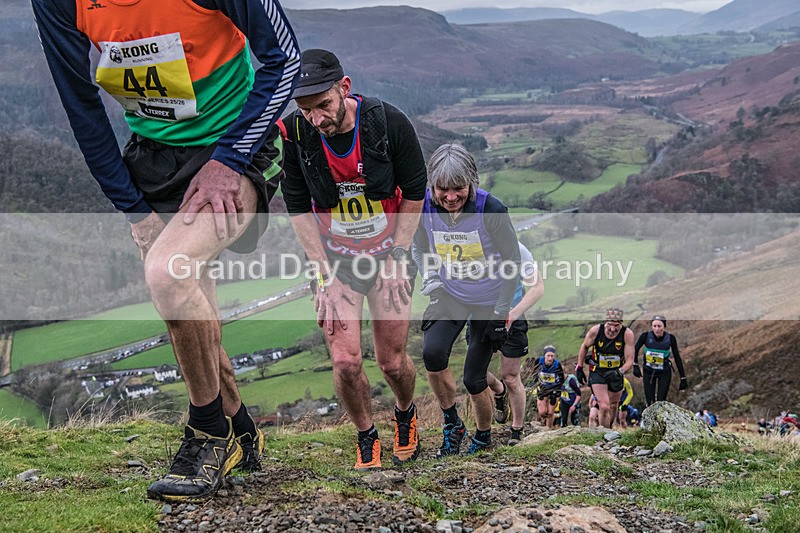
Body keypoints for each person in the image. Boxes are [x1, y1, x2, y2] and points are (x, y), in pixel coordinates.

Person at [32, 0, 299, 502]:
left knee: (169, 274)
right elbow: (80, 104)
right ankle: (241, 429)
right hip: (153, 156)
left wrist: (230, 159)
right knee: (187, 301)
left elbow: (284, 58)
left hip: (236, 144)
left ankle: (207, 435)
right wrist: (134, 210)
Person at [279, 49, 426, 469]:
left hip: (387, 256)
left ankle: (405, 412)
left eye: (323, 106)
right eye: (305, 110)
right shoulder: (295, 132)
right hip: (337, 261)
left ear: (344, 88)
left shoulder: (387, 122)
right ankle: (366, 436)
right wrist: (320, 271)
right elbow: (296, 204)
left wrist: (399, 255)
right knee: (345, 361)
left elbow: (415, 189)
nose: (316, 119)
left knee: (393, 362)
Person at [413, 142, 521, 456]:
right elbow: (418, 248)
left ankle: (483, 436)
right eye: (441, 189)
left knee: (474, 378)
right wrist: (432, 282)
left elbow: (512, 260)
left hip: (489, 299)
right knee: (433, 354)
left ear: (471, 182)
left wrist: (501, 313)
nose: (450, 197)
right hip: (452, 293)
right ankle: (452, 423)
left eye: (458, 188)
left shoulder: (491, 208)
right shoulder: (423, 206)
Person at [486, 241, 544, 445]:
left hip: (513, 317)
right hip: (481, 318)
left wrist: (513, 314)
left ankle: (517, 430)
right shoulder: (472, 243)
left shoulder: (518, 249)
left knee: (511, 376)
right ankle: (498, 390)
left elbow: (537, 287)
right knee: (477, 373)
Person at [575, 307, 635, 429]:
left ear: (621, 324)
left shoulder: (627, 334)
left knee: (613, 405)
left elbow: (630, 360)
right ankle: (603, 434)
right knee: (604, 406)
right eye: (610, 325)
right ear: (605, 322)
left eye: (616, 325)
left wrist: (620, 371)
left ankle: (609, 429)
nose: (612, 329)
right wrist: (579, 367)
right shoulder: (596, 331)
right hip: (597, 371)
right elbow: (584, 346)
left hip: (616, 372)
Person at [632, 315, 687, 406]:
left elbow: (677, 357)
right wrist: (635, 365)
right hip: (648, 372)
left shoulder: (670, 338)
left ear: (664, 326)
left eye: (659, 326)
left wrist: (683, 377)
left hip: (664, 373)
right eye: (654, 326)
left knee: (661, 402)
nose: (657, 329)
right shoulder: (645, 336)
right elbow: (635, 349)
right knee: (650, 403)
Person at [532, 346, 565, 430]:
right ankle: (542, 423)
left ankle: (548, 429)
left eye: (552, 356)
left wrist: (557, 391)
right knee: (542, 412)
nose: (550, 358)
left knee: (550, 412)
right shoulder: (539, 362)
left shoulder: (557, 365)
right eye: (548, 356)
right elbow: (534, 374)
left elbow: (561, 379)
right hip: (543, 389)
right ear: (544, 356)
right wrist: (538, 383)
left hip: (554, 390)